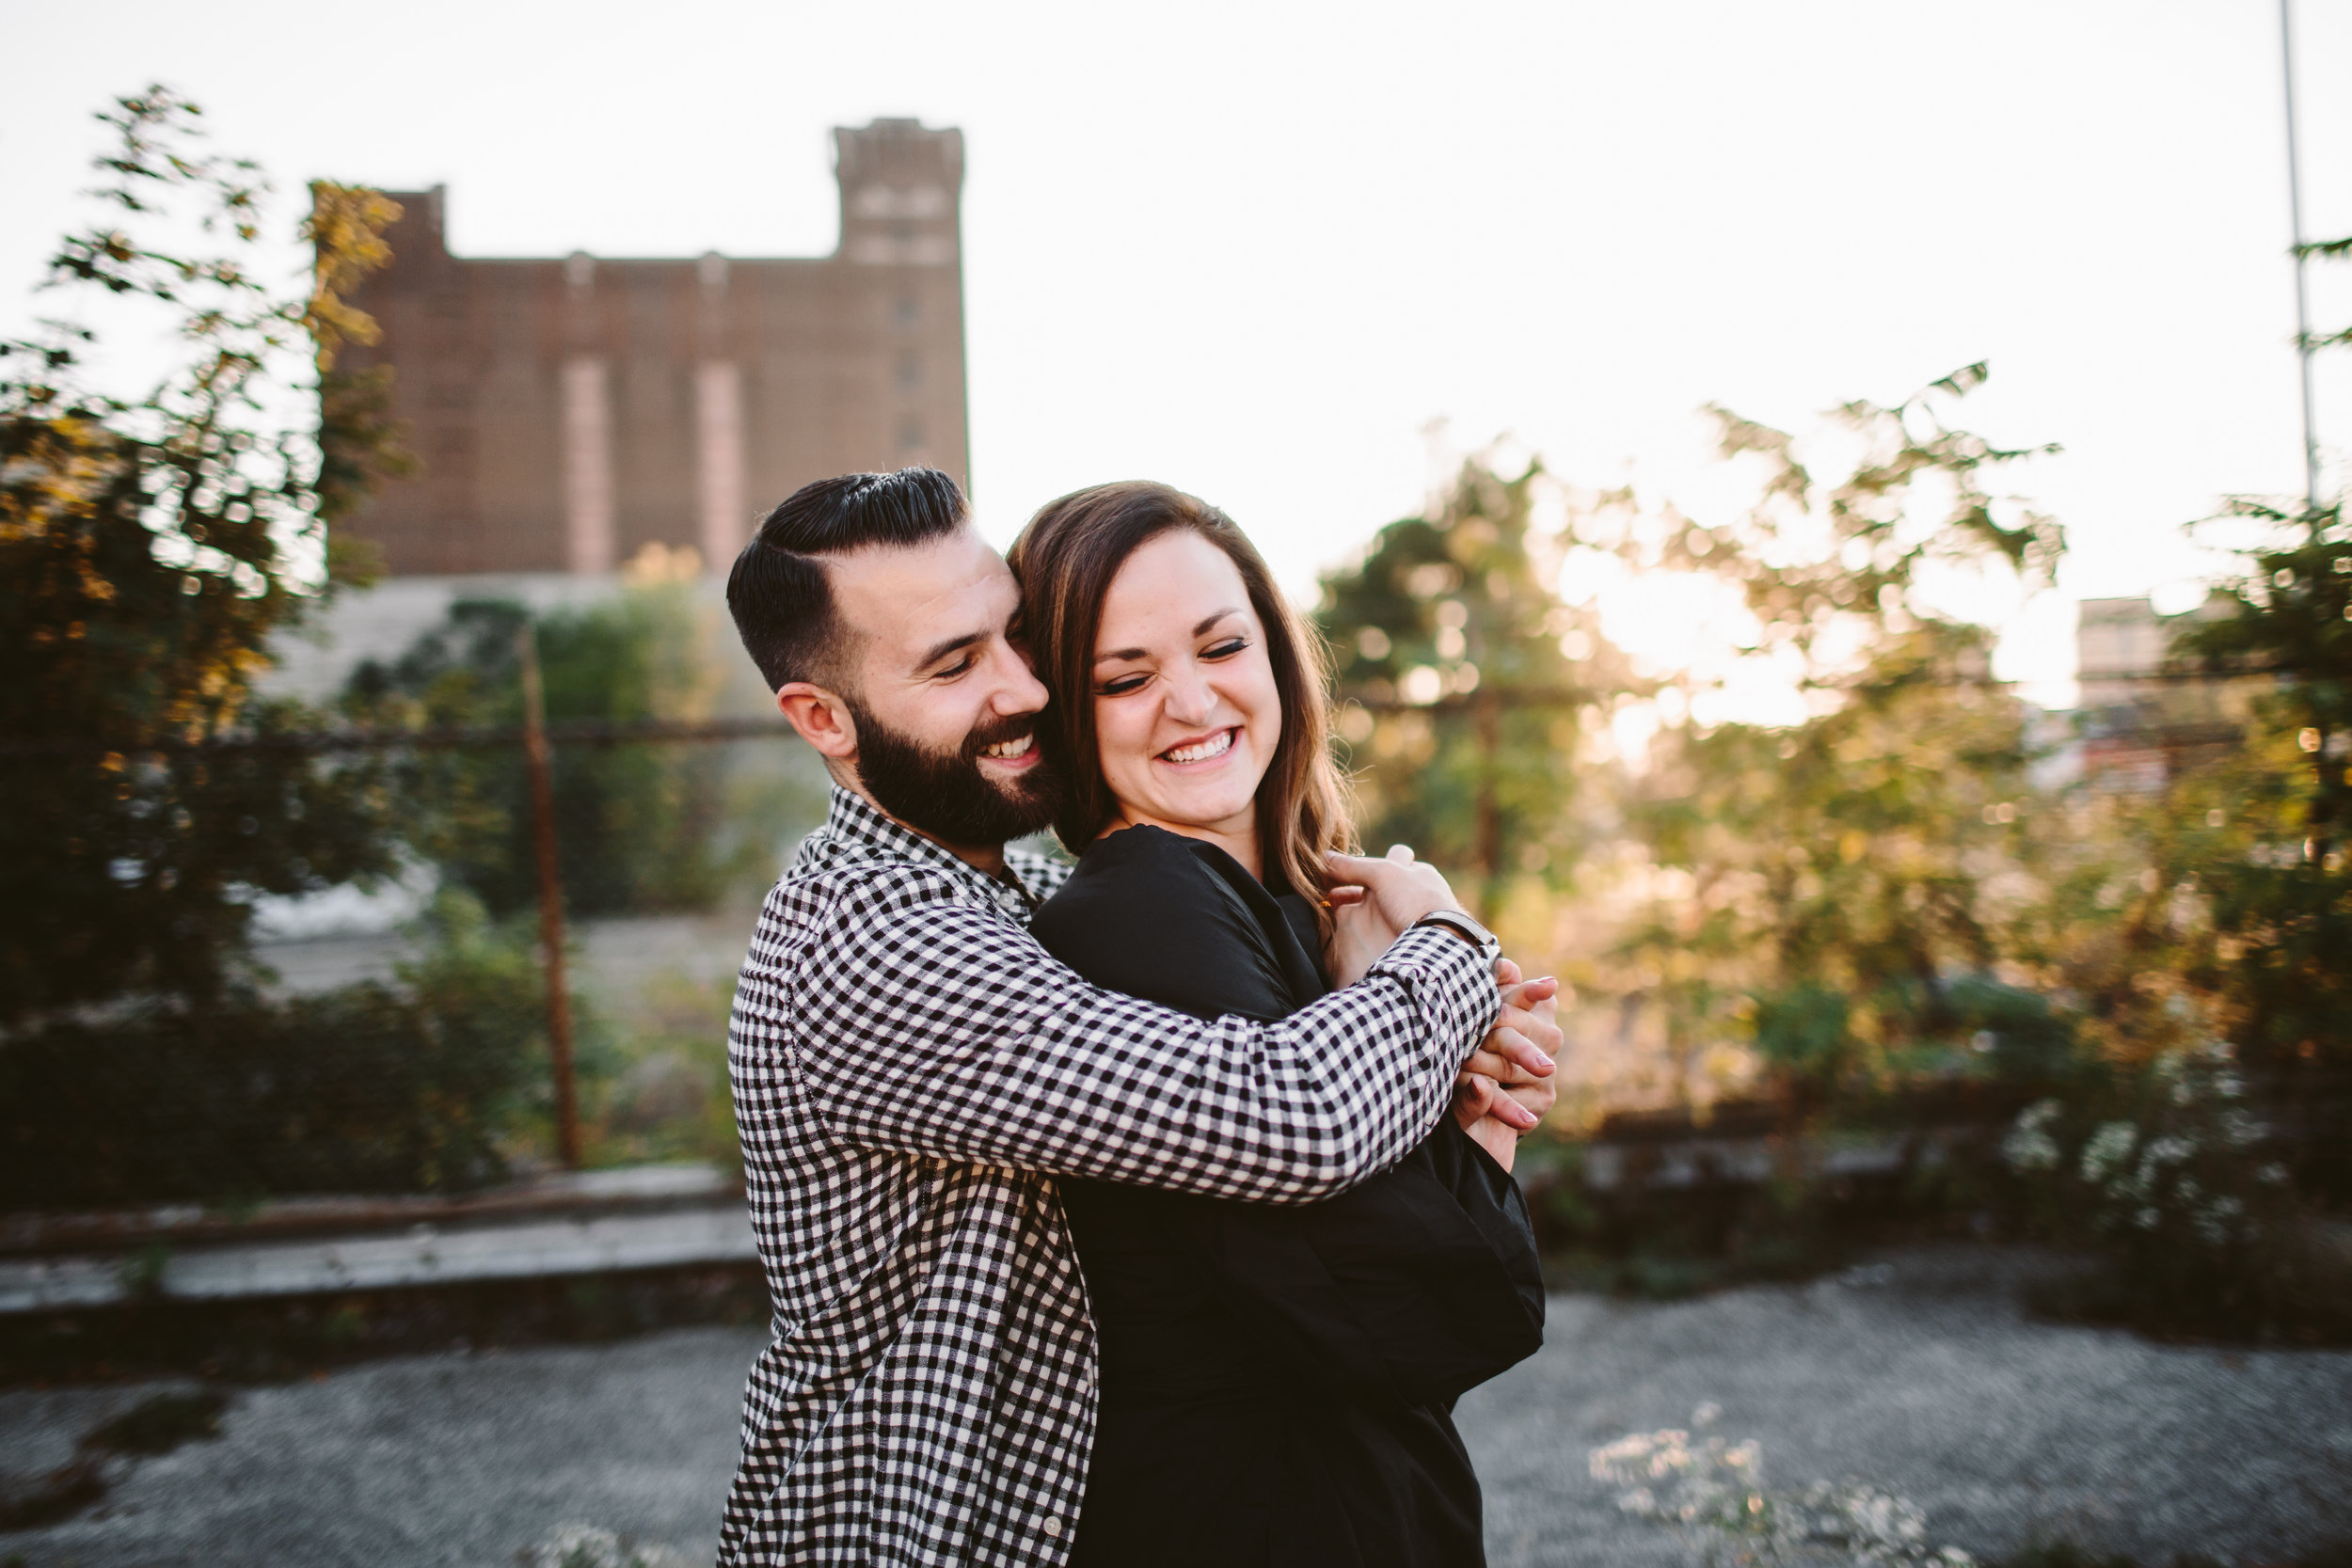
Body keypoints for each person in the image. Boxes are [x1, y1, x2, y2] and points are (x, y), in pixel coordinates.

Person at [717, 467, 1562, 1567]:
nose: (1024, 688)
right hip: (916, 1534)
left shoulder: (993, 888)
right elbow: (1290, 1116)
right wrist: (1443, 943)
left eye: (1015, 636)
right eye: (954, 663)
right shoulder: (881, 942)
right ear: (823, 716)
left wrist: (1447, 1080)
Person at [1009, 482, 1547, 1567]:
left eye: (1221, 646)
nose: (1192, 702)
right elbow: (1411, 1311)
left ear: (1275, 654)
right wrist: (1444, 952)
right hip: (1249, 1515)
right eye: (1126, 676)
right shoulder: (1142, 911)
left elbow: (1407, 1287)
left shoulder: (1277, 911)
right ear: (1066, 707)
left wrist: (1468, 1119)